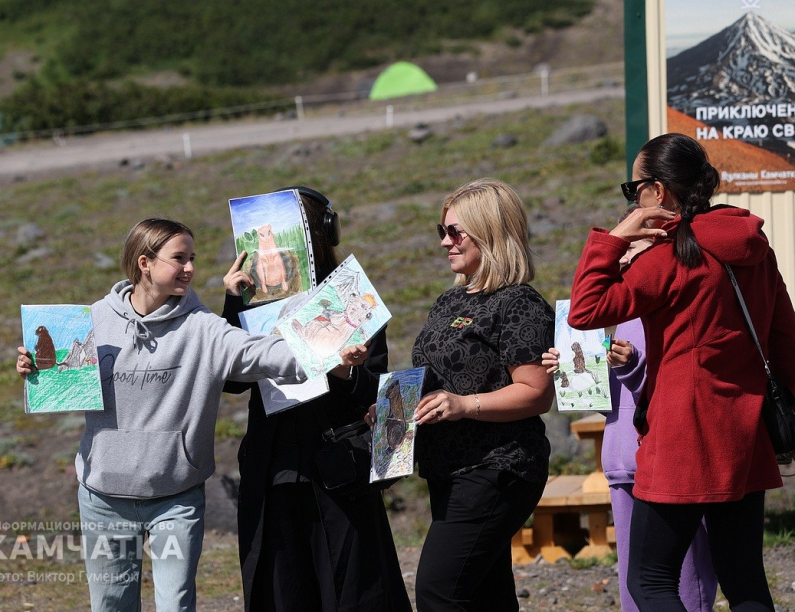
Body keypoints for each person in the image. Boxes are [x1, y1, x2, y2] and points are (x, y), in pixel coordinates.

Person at [15, 218, 355, 612]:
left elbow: (261, 354)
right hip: (103, 498)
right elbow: (61, 381)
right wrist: (35, 369)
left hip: (175, 499)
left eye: (192, 257)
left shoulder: (204, 329)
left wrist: (328, 353)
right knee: (111, 606)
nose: (191, 268)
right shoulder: (94, 321)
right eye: (179, 258)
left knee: (176, 606)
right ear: (145, 263)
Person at [567, 133, 795, 611]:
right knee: (745, 580)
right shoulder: (755, 248)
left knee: (650, 582)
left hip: (681, 440)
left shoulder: (668, 258)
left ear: (659, 191)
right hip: (744, 435)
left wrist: (617, 236)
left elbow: (586, 310)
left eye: (634, 192)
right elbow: (786, 344)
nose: (632, 202)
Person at [222, 186, 411, 612]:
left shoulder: (346, 295)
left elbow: (373, 389)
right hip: (275, 469)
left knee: (354, 590)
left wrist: (344, 369)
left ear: (319, 234)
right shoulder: (251, 299)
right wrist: (233, 303)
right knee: (283, 591)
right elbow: (231, 380)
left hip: (339, 467)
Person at [542, 237, 717, 612]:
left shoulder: (673, 302)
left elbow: (679, 388)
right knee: (633, 582)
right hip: (623, 461)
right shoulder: (615, 309)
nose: (625, 257)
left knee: (682, 579)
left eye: (634, 247)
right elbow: (609, 394)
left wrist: (634, 364)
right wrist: (574, 374)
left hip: (669, 465)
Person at [409, 178, 555, 612]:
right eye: (442, 232)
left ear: (490, 232)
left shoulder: (518, 303)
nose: (445, 243)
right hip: (447, 467)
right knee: (485, 595)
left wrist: (462, 405)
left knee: (439, 592)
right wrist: (388, 411)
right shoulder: (449, 301)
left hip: (497, 466)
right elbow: (432, 378)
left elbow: (536, 393)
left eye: (455, 232)